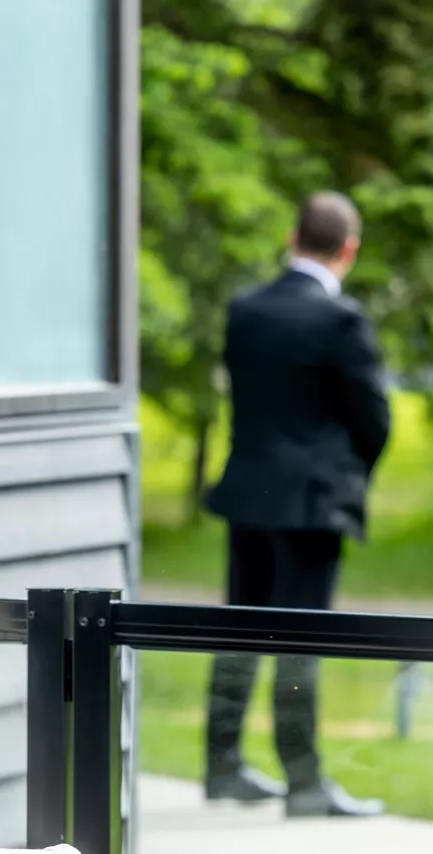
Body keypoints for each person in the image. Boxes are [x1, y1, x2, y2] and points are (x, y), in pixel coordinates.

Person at [204, 191, 390, 818]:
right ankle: (305, 782)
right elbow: (374, 420)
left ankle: (221, 764)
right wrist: (344, 476)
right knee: (299, 643)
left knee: (238, 631)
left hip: (247, 495)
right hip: (310, 506)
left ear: (292, 236)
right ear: (349, 249)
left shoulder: (245, 308)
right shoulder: (342, 320)